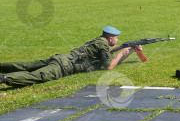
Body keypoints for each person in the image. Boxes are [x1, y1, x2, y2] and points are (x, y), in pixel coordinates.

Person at [0, 27, 137, 87]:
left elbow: (108, 58)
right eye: (117, 38)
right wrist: (120, 53)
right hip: (64, 66)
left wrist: (127, 52)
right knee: (38, 76)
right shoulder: (103, 45)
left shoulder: (99, 41)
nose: (118, 40)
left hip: (62, 58)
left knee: (27, 66)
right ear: (110, 37)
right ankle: (5, 78)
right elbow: (109, 65)